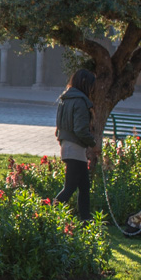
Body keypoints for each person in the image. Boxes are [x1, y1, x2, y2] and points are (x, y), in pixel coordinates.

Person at [53, 67, 96, 221]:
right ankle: (48, 215)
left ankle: (86, 220)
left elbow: (59, 126)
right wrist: (93, 144)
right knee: (70, 187)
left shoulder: (65, 99)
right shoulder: (81, 102)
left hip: (67, 145)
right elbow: (81, 130)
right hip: (76, 148)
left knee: (84, 187)